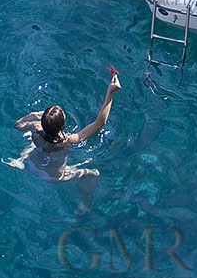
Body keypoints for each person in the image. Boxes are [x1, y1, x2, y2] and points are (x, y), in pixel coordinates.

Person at [11, 69, 121, 200]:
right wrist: (110, 92)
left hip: (33, 164)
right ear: (62, 125)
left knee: (34, 142)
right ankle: (85, 204)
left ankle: (20, 160)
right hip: (52, 176)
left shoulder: (35, 127)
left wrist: (32, 115)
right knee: (93, 174)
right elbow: (100, 123)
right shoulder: (68, 140)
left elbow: (17, 125)